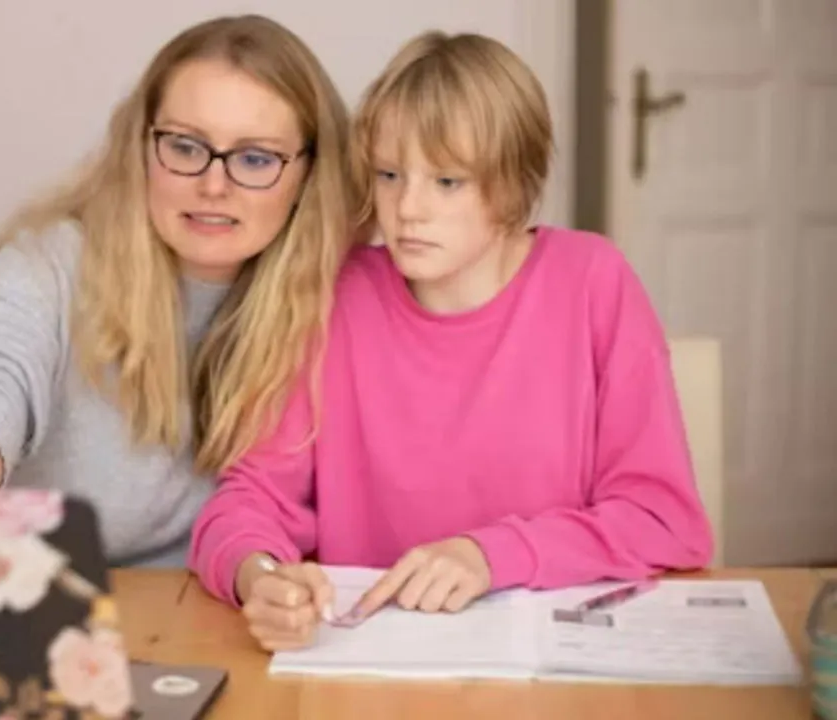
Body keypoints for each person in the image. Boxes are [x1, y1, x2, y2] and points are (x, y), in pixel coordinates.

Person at [187, 30, 715, 650]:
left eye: (447, 182)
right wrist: (261, 577)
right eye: (389, 174)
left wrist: (490, 555)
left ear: (513, 184)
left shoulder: (593, 282)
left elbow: (662, 522)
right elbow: (249, 500)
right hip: (368, 669)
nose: (408, 208)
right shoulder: (336, 295)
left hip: (550, 669)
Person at [0, 15, 356, 568]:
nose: (214, 185)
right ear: (141, 146)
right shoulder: (51, 263)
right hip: (47, 602)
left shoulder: (341, 297)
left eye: (255, 158)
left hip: (221, 619)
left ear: (310, 171)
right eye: (186, 147)